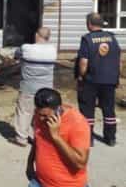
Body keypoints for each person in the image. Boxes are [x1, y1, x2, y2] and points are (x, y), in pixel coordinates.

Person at [26, 88, 90, 187]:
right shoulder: (39, 115)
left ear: (58, 109)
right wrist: (30, 164)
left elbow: (80, 163)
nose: (41, 119)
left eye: (45, 115)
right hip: (40, 182)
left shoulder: (77, 122)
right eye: (39, 114)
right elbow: (37, 140)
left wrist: (56, 137)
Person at [76, 13, 120, 147]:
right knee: (109, 109)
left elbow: (83, 62)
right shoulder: (112, 38)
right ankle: (110, 138)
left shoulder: (87, 39)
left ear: (89, 23)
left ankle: (88, 139)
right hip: (110, 80)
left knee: (87, 109)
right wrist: (116, 76)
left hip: (91, 79)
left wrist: (81, 76)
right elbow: (119, 60)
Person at [10, 27, 57, 147]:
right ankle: (41, 138)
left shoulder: (26, 48)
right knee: (42, 114)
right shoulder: (53, 50)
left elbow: (16, 55)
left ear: (37, 35)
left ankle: (21, 138)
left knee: (24, 111)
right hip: (46, 89)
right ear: (48, 37)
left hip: (28, 87)